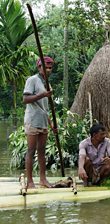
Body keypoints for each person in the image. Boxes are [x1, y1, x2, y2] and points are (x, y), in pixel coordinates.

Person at [23, 56, 56, 188]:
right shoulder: (32, 80)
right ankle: (30, 181)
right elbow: (25, 99)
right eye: (46, 67)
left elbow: (45, 108)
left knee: (42, 151)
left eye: (50, 67)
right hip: (32, 120)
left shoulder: (47, 84)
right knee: (31, 150)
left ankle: (43, 179)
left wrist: (51, 124)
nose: (48, 70)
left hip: (43, 121)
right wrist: (42, 95)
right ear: (39, 67)